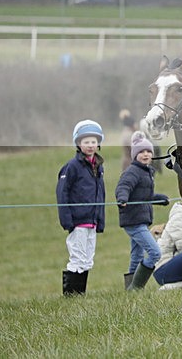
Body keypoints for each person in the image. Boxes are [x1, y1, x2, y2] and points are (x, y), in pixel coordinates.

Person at [56, 120, 106, 296]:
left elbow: (101, 194)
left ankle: (80, 295)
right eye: (86, 142)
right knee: (77, 258)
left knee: (87, 259)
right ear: (78, 143)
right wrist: (67, 220)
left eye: (93, 141)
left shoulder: (98, 166)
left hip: (92, 221)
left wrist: (100, 219)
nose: (90, 145)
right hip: (78, 221)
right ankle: (71, 296)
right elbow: (62, 193)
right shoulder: (72, 167)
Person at [115, 131, 169, 290]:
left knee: (137, 255)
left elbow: (144, 196)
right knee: (155, 253)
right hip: (133, 220)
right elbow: (123, 187)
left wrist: (159, 199)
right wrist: (122, 198)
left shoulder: (146, 171)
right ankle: (136, 288)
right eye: (141, 152)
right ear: (134, 155)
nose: (145, 154)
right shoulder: (132, 171)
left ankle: (130, 289)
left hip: (141, 220)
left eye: (148, 151)